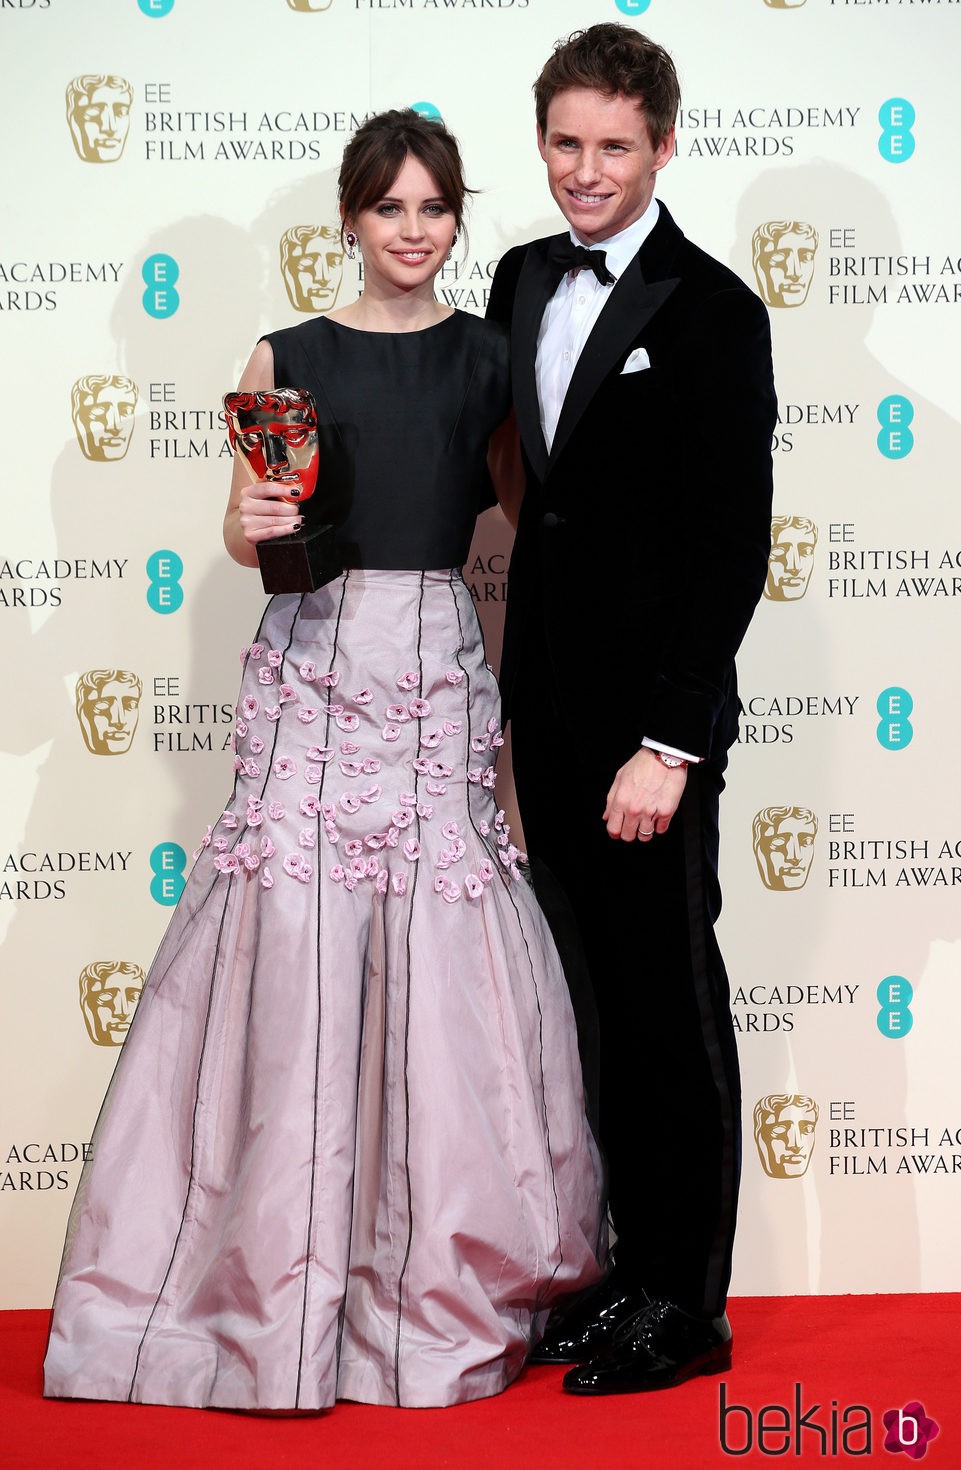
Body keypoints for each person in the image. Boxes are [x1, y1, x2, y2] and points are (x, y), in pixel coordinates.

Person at [44, 109, 604, 1415]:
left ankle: (418, 1293)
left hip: (432, 679)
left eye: (434, 209)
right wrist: (245, 523)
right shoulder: (283, 354)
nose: (413, 232)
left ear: (457, 220)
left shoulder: (488, 358)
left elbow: (535, 528)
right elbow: (256, 543)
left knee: (439, 975)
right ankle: (265, 1306)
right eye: (390, 208)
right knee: (291, 959)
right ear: (348, 219)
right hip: (311, 666)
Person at [485, 25, 777, 1394]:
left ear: (664, 145)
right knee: (588, 1006)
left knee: (669, 998)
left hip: (646, 737)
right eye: (564, 143)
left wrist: (672, 742)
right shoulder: (520, 275)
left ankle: (690, 1303)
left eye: (613, 146)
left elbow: (730, 544)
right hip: (541, 712)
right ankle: (622, 1271)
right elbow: (512, 482)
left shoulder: (715, 310)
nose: (585, 172)